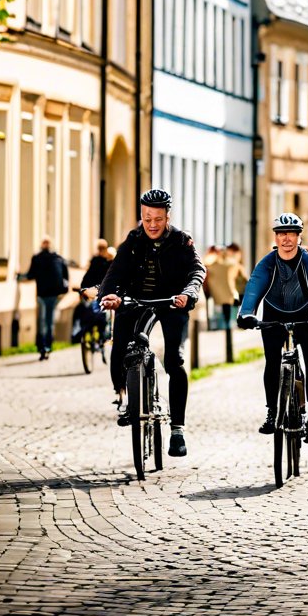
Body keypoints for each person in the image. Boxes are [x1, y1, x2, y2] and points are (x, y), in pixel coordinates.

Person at [97, 189, 205, 458]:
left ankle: (178, 429)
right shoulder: (132, 241)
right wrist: (109, 295)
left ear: (168, 216)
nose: (153, 225)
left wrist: (188, 293)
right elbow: (114, 273)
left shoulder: (182, 241)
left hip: (172, 303)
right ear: (141, 217)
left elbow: (196, 271)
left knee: (174, 361)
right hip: (135, 302)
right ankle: (124, 397)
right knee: (120, 347)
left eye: (158, 219)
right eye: (147, 219)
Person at [238, 213, 308, 437]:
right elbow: (254, 287)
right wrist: (246, 313)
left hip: (305, 318)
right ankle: (272, 412)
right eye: (281, 234)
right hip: (273, 317)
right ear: (276, 237)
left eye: (291, 233)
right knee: (272, 364)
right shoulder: (267, 263)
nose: (286, 239)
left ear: (299, 237)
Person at [25, 236, 69, 361]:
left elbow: (30, 274)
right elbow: (66, 278)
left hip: (42, 294)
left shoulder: (37, 258)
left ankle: (42, 346)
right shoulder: (59, 259)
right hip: (54, 294)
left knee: (43, 321)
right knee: (49, 321)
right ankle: (47, 346)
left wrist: (20, 276)